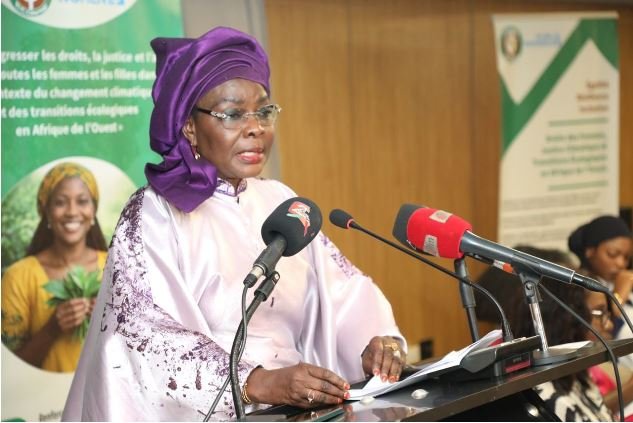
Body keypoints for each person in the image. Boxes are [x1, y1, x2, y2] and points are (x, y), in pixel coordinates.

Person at [62, 27, 406, 421]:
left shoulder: (279, 199)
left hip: (295, 412)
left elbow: (341, 294)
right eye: (233, 114)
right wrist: (254, 381)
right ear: (189, 126)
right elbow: (141, 332)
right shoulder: (156, 212)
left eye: (264, 111)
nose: (256, 127)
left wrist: (375, 344)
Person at [1, 162, 108, 372]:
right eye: (60, 202)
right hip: (42, 395)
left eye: (82, 201)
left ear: (93, 210)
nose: (72, 212)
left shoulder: (118, 267)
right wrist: (52, 329)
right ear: (47, 212)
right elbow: (6, 370)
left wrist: (111, 319)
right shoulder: (18, 277)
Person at [510, 274, 614, 421]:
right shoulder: (543, 396)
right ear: (565, 319)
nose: (609, 325)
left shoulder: (578, 375)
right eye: (599, 313)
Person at [568, 215, 633, 366]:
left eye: (626, 257)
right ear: (590, 251)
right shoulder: (579, 290)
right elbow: (599, 332)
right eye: (613, 254)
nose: (621, 263)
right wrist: (618, 298)